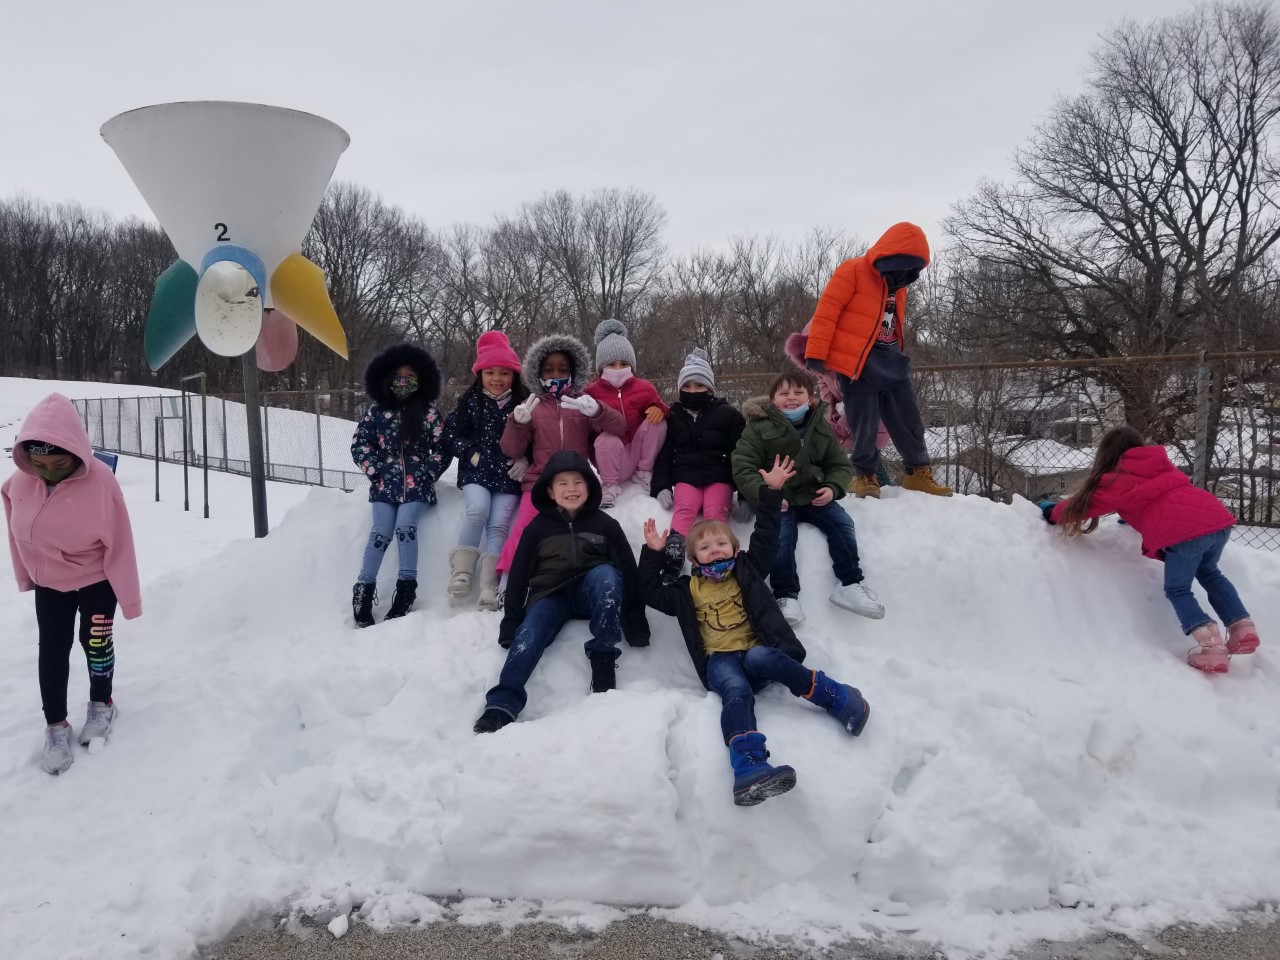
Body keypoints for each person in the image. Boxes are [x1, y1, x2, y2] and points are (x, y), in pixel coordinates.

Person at [638, 454, 871, 806]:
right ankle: (749, 768)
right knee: (734, 690)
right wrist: (653, 554)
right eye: (704, 546)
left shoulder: (747, 570)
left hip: (755, 653)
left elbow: (766, 536)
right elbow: (649, 592)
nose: (714, 549)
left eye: (721, 543)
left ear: (734, 547)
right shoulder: (686, 591)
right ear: (694, 558)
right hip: (719, 661)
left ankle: (837, 697)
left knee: (764, 656)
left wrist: (771, 492)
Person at [1042, 425, 1259, 673]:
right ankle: (1242, 625)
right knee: (1209, 572)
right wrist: (1133, 518)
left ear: (1106, 454)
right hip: (1216, 519)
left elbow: (1082, 507)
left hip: (1184, 534)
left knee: (1178, 589)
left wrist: (1052, 511)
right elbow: (1158, 496)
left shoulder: (1116, 479)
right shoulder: (1161, 464)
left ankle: (1213, 649)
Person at [2, 393, 141, 775]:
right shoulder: (18, 483)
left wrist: (128, 599)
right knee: (52, 649)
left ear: (75, 452)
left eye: (58, 463)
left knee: (95, 642)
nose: (47, 472)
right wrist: (25, 576)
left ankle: (102, 703)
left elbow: (121, 544)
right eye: (39, 463)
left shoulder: (101, 483)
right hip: (50, 583)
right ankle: (55, 725)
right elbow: (17, 535)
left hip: (97, 580)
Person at [473, 451, 650, 733]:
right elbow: (518, 577)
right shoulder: (537, 529)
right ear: (551, 491)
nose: (571, 489)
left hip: (591, 594)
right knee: (528, 637)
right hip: (550, 595)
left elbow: (627, 572)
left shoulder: (606, 525)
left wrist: (636, 622)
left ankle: (603, 655)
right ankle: (503, 702)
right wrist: (512, 622)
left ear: (589, 487)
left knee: (607, 575)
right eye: (563, 483)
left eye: (578, 482)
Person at [804, 222, 952, 499]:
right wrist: (816, 352)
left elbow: (895, 323)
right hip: (857, 363)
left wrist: (898, 349)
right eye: (902, 264)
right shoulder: (853, 270)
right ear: (888, 255)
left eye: (912, 268)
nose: (905, 272)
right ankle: (865, 477)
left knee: (909, 419)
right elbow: (827, 310)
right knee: (864, 423)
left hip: (891, 358)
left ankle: (918, 472)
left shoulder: (900, 285)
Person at [732, 370, 882, 626]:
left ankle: (850, 584)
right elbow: (742, 465)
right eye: (784, 394)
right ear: (772, 400)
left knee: (842, 525)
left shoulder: (820, 427)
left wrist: (833, 487)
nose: (791, 398)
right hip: (779, 498)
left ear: (810, 399)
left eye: (798, 393)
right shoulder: (758, 427)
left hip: (813, 495)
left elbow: (838, 464)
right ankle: (786, 596)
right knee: (781, 537)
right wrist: (765, 495)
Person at [495, 334, 625, 575]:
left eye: (562, 370)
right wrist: (517, 422)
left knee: (582, 529)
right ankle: (507, 580)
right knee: (524, 529)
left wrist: (597, 411)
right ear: (538, 374)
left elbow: (618, 428)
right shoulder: (531, 405)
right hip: (539, 483)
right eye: (548, 370)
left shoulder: (582, 403)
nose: (556, 376)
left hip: (577, 482)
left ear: (573, 372)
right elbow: (511, 450)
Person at [350, 344, 450, 627]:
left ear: (422, 381)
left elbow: (442, 448)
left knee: (406, 528)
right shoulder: (376, 413)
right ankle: (363, 590)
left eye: (411, 376)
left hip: (417, 486)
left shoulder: (429, 414)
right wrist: (376, 470)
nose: (404, 381)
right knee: (380, 532)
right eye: (398, 375)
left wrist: (428, 473)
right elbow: (360, 445)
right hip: (384, 485)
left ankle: (406, 588)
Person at [444, 331, 528, 610]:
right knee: (477, 510)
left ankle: (489, 585)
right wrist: (471, 453)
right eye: (490, 372)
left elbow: (535, 438)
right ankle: (462, 572)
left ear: (514, 376)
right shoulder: (470, 402)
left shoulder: (524, 403)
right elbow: (451, 435)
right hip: (476, 473)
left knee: (499, 524)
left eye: (504, 372)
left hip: (508, 477)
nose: (496, 378)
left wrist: (525, 460)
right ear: (480, 375)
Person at [649, 348, 746, 573]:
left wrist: (745, 496)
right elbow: (664, 455)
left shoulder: (729, 415)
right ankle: (674, 552)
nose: (693, 391)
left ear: (709, 388)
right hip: (685, 477)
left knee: (715, 512)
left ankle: (716, 557)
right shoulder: (673, 416)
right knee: (684, 508)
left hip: (719, 477)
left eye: (699, 386)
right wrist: (661, 486)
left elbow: (742, 456)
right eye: (687, 386)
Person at [785, 322, 893, 490]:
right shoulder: (822, 370)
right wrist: (833, 414)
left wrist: (841, 423)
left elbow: (864, 402)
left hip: (873, 416)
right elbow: (826, 394)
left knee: (867, 451)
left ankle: (879, 487)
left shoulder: (855, 365)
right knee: (838, 447)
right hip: (845, 415)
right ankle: (863, 482)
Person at [583, 319, 669, 508]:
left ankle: (644, 472)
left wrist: (659, 409)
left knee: (658, 422)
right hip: (613, 459)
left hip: (638, 452)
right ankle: (609, 485)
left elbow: (662, 406)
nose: (618, 368)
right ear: (601, 367)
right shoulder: (591, 392)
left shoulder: (644, 387)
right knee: (607, 438)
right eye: (611, 364)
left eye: (623, 363)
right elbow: (586, 427)